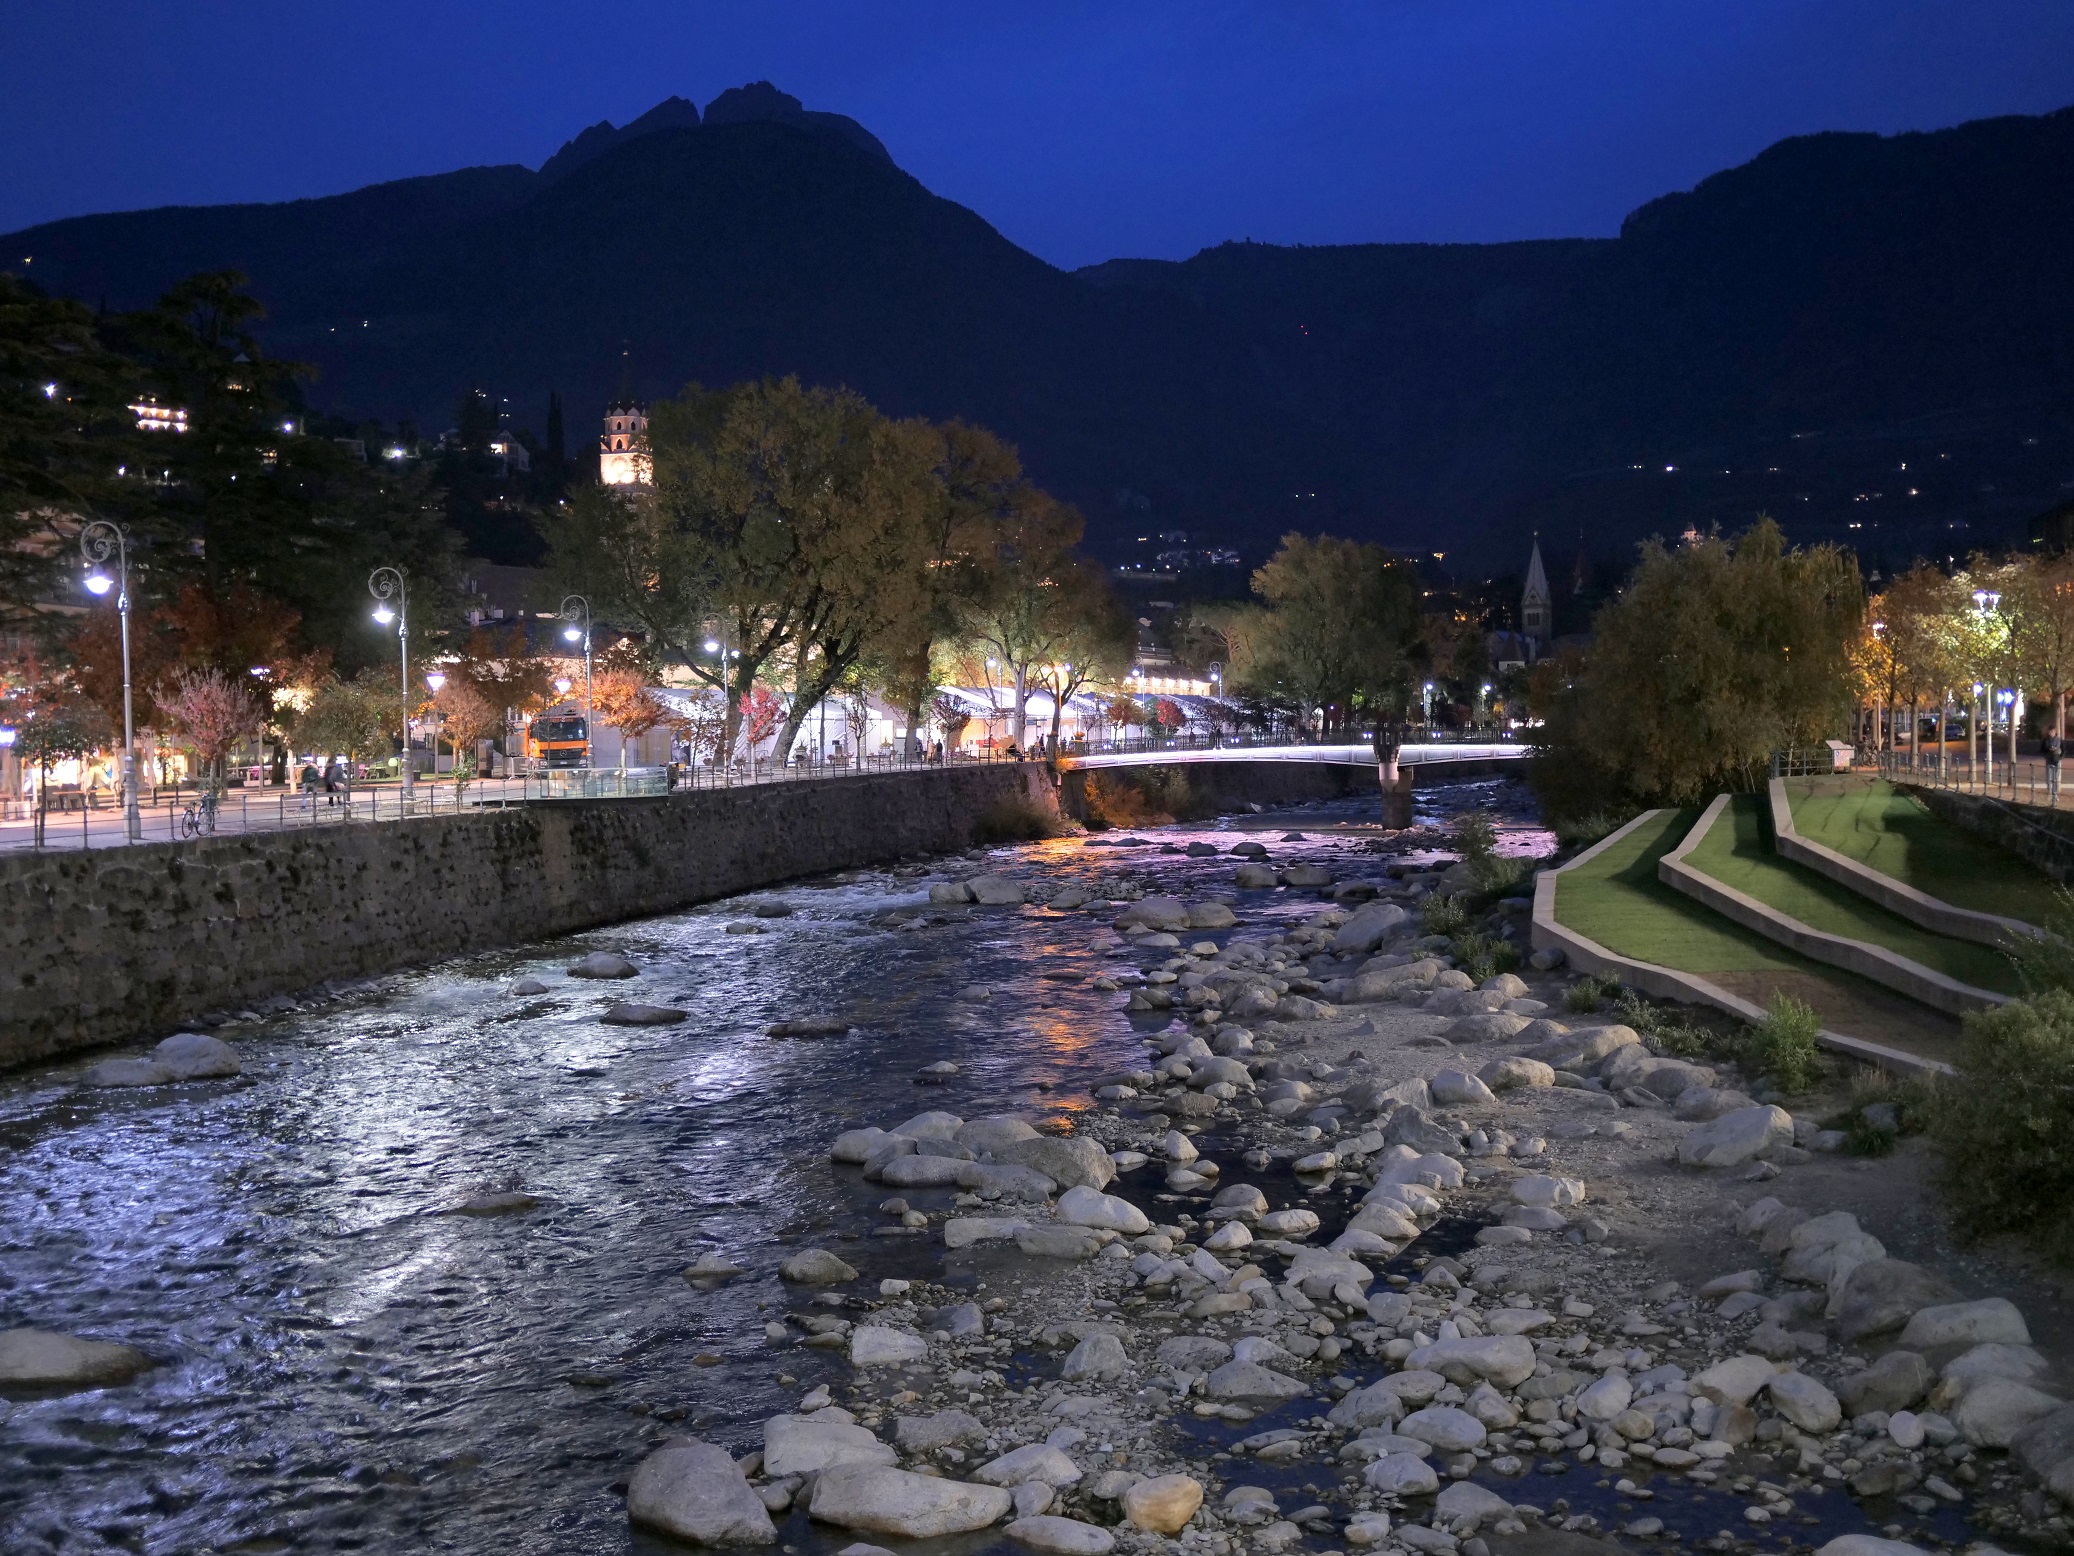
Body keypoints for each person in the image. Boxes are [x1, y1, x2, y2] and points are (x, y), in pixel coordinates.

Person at [2045, 730, 2063, 804]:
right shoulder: (2046, 740)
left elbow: (2063, 749)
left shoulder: (2059, 740)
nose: (2051, 733)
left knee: (2055, 778)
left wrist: (2060, 757)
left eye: (2052, 732)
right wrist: (2047, 753)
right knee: (2049, 778)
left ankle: (2055, 795)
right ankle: (2049, 792)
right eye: (2050, 732)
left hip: (2056, 760)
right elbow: (2042, 750)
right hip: (2049, 760)